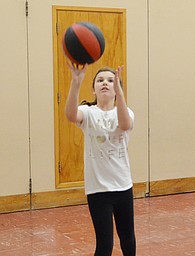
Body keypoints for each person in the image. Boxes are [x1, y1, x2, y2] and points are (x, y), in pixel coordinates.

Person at [65, 63, 136, 256]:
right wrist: (76, 82)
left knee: (128, 239)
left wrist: (120, 95)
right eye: (100, 80)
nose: (105, 83)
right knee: (104, 244)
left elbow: (124, 124)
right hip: (98, 190)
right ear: (94, 88)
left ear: (117, 88)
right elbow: (70, 115)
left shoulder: (126, 112)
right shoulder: (88, 113)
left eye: (111, 80)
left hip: (122, 187)